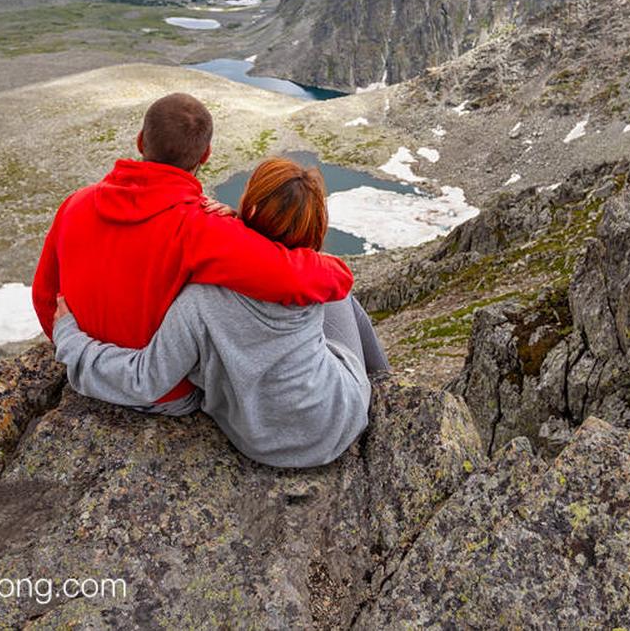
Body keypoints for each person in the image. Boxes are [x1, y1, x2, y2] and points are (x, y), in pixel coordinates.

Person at [52, 157, 391, 468]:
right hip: (338, 422)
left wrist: (71, 340)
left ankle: (381, 381)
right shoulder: (317, 280)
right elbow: (326, 276)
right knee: (342, 299)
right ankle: (383, 382)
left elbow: (145, 379)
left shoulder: (201, 299)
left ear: (252, 208)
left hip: (260, 443)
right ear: (315, 227)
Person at [32, 93, 354, 415]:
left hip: (81, 369)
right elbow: (296, 278)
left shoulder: (76, 203)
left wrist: (71, 347)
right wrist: (244, 228)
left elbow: (44, 294)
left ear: (141, 141)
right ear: (206, 154)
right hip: (165, 396)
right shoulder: (203, 229)